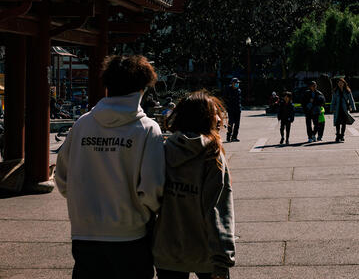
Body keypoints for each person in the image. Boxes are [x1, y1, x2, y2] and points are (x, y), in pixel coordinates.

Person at [55, 55, 165, 279]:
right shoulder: (147, 129)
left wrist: (82, 203)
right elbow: (152, 187)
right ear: (142, 89)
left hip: (84, 231)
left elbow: (61, 177)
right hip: (130, 233)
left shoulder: (82, 124)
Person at [153, 91, 235, 279]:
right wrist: (223, 257)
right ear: (206, 119)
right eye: (215, 113)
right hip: (205, 251)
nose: (218, 118)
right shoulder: (212, 155)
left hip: (167, 249)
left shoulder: (164, 149)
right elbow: (217, 208)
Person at [331, 78, 356, 143]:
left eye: (341, 83)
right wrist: (331, 108)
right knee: (337, 123)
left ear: (344, 83)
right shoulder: (335, 91)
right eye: (339, 83)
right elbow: (333, 100)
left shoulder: (347, 91)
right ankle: (337, 135)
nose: (340, 84)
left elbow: (351, 99)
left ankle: (342, 135)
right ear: (337, 84)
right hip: (337, 109)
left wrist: (353, 108)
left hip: (345, 109)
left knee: (344, 123)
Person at [223, 78, 241, 142]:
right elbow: (224, 98)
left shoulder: (239, 90)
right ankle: (228, 136)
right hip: (231, 109)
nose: (237, 84)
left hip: (238, 109)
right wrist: (227, 106)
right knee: (231, 123)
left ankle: (234, 137)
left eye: (238, 83)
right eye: (236, 83)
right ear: (232, 83)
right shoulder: (228, 90)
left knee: (237, 124)